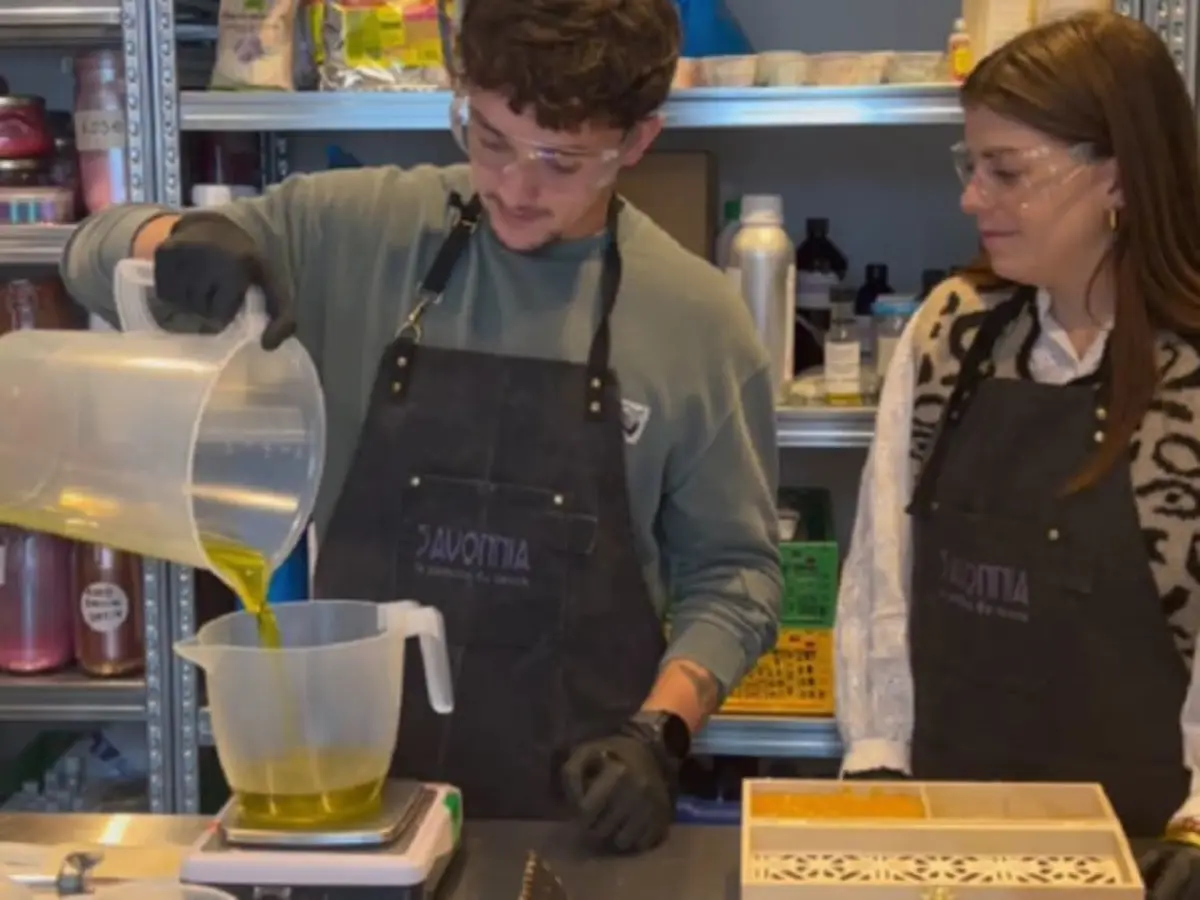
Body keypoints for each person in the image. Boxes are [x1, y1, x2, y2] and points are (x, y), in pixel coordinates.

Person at [61, 0, 781, 852]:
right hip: (352, 811)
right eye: (489, 137)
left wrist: (660, 732)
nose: (515, 186)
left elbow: (736, 576)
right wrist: (174, 237)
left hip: (572, 820)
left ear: (637, 141)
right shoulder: (356, 233)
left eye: (561, 160)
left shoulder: (695, 320)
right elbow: (90, 257)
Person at [834, 10, 1200, 897]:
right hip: (949, 834)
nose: (971, 198)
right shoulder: (948, 334)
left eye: (1006, 172)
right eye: (972, 166)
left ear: (1115, 177)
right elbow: (884, 568)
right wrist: (879, 757)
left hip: (1148, 848)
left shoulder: (1186, 371)